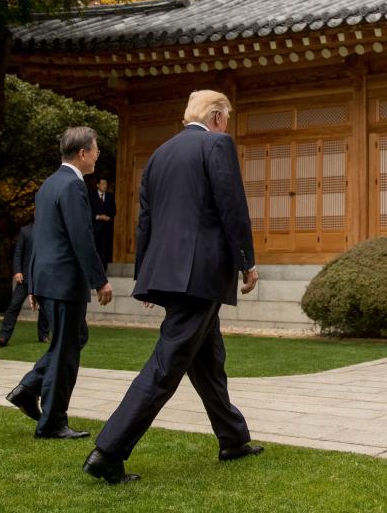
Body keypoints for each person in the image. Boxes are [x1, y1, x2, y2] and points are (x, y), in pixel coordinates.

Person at [83, 90, 261, 486]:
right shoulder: (218, 143)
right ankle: (108, 451)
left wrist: (145, 277)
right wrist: (247, 262)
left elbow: (145, 220)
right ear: (217, 117)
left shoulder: (159, 155)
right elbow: (232, 206)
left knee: (209, 360)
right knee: (166, 367)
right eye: (227, 118)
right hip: (201, 274)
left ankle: (232, 439)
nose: (227, 126)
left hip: (169, 274)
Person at [5, 127, 113, 439]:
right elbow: (81, 236)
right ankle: (52, 421)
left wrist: (35, 283)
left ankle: (29, 389)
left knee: (73, 339)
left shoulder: (49, 185)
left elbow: (41, 236)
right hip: (65, 281)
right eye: (95, 150)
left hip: (49, 278)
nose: (97, 155)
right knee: (66, 349)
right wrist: (100, 280)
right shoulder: (73, 186)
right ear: (82, 153)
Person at [0, 223, 50, 346]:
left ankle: (44, 335)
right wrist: (17, 271)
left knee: (46, 308)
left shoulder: (52, 228)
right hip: (24, 277)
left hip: (43, 277)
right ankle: (4, 336)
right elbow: (18, 252)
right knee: (14, 305)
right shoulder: (25, 230)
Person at [89, 178, 116, 271]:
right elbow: (88, 211)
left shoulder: (109, 196)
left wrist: (109, 217)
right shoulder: (91, 196)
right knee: (95, 250)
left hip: (106, 229)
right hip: (95, 228)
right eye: (103, 183)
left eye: (106, 183)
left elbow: (114, 210)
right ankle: (94, 271)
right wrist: (98, 217)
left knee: (105, 250)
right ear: (98, 185)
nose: (105, 186)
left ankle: (104, 271)